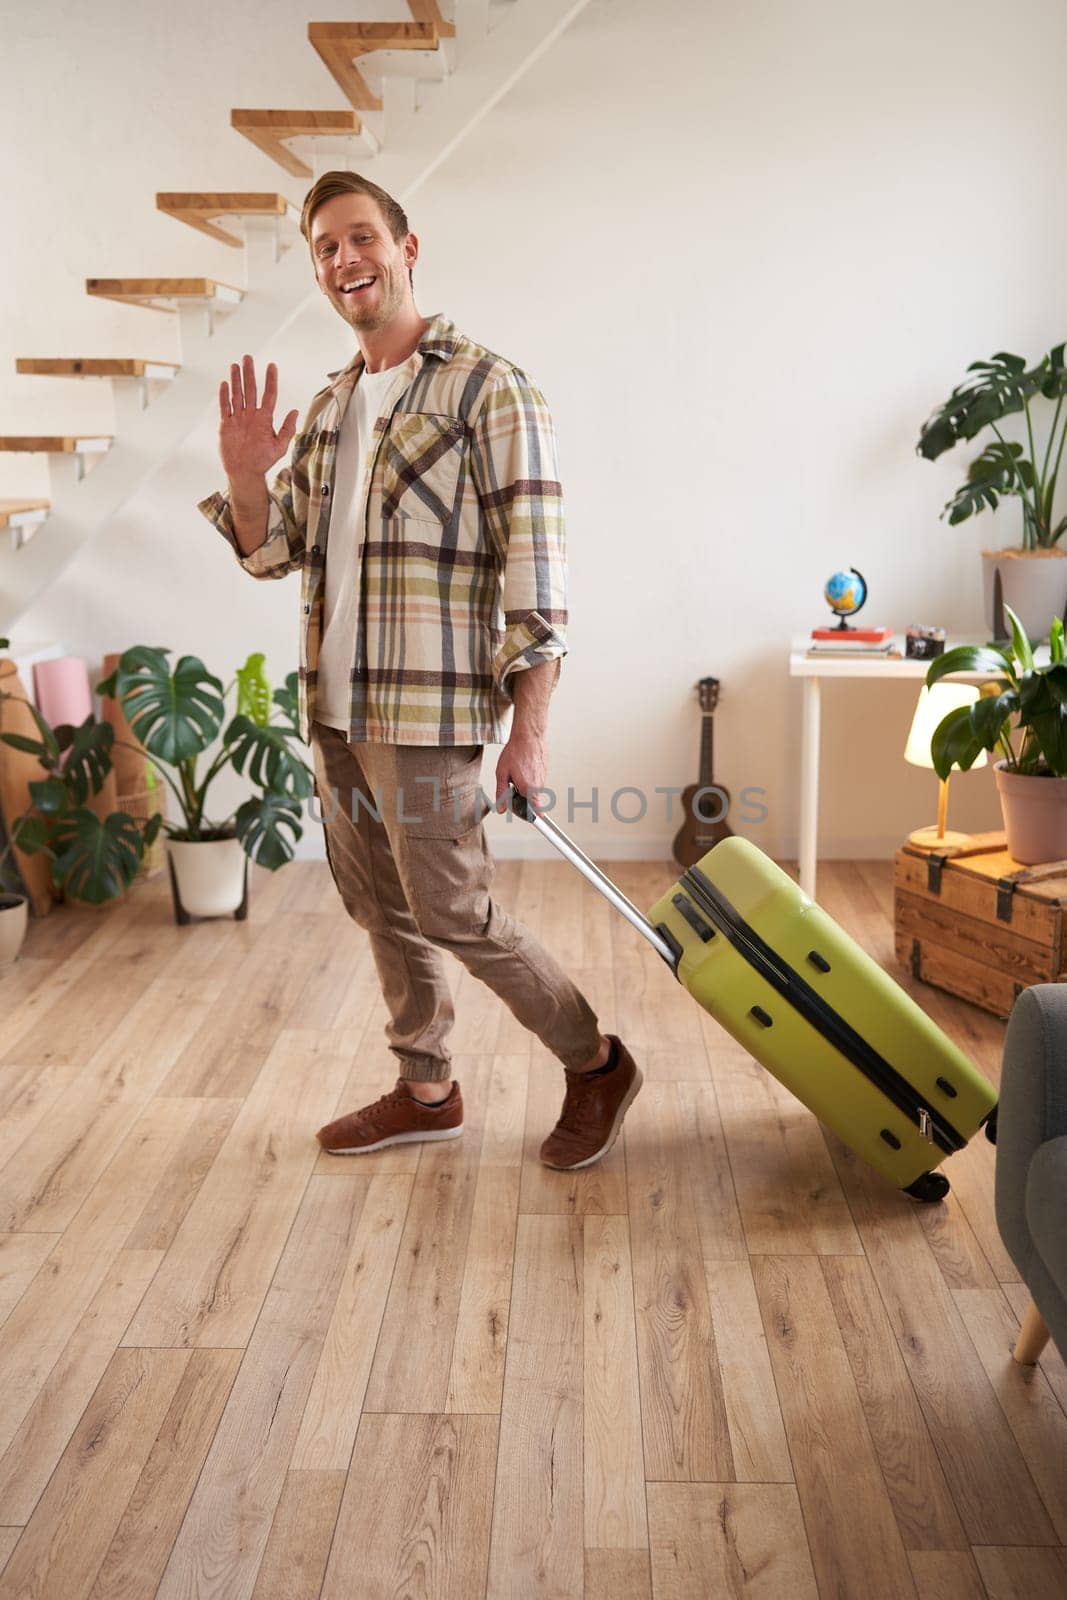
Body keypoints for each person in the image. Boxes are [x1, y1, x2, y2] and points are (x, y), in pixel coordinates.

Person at [199, 169, 642, 1170]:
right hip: (337, 712)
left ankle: (596, 1061)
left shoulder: (489, 387)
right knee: (376, 906)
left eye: (360, 237)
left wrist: (527, 731)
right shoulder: (330, 405)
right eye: (325, 248)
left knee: (452, 907)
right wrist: (241, 480)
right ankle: (425, 1088)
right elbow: (275, 553)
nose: (344, 259)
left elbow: (538, 573)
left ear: (407, 247)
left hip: (429, 712)